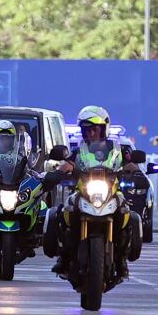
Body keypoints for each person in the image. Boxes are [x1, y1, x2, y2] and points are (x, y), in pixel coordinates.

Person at [45, 105, 130, 280]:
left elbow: (130, 163)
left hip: (111, 191)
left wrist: (134, 170)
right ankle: (65, 256)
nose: (90, 133)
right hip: (84, 191)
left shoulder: (118, 149)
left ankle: (121, 259)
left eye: (94, 129)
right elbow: (67, 163)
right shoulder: (79, 149)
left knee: (126, 213)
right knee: (64, 211)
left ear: (103, 128)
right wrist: (58, 172)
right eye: (86, 130)